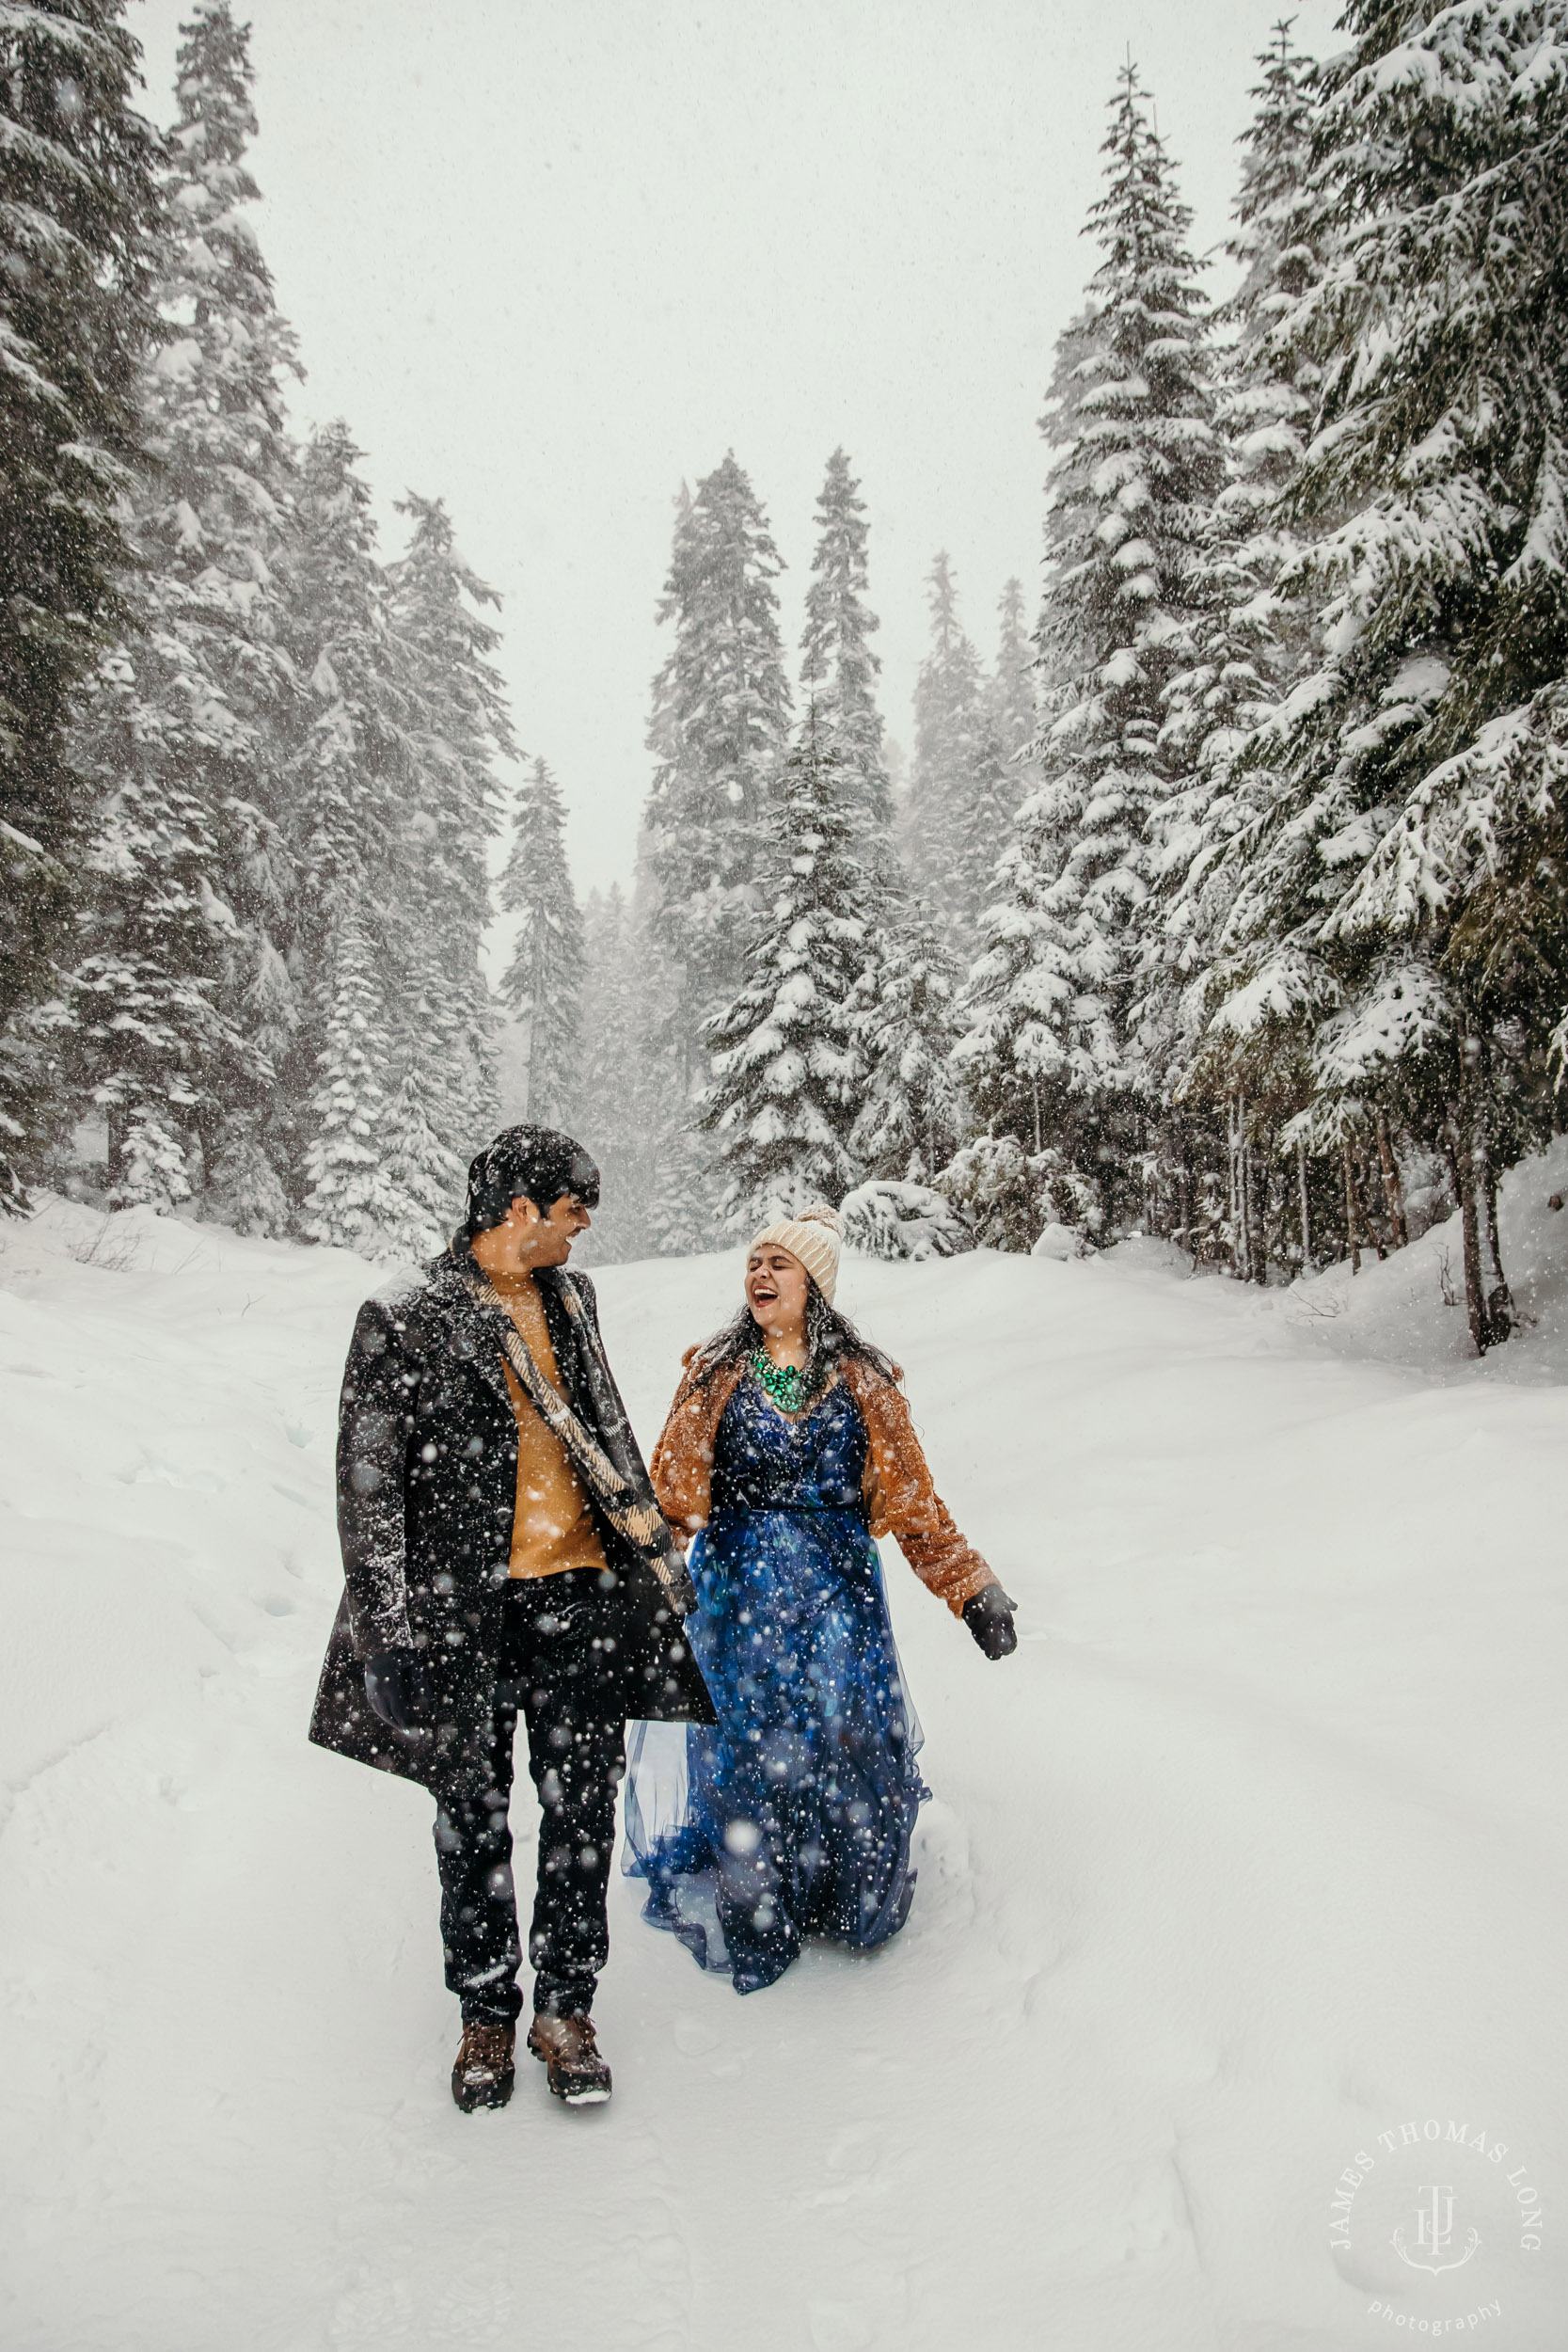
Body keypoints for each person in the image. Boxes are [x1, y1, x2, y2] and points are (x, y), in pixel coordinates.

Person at [309, 1125, 714, 2111]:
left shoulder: (571, 1298)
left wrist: (650, 1554)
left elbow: (604, 1426)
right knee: (471, 1822)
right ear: (522, 1208)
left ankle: (565, 2007)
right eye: (574, 1210)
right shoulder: (404, 1316)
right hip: (460, 1616)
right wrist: (388, 1632)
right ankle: (486, 2012)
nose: (582, 1228)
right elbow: (369, 1493)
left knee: (580, 1814)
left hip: (577, 1600)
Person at [625, 1201, 1015, 1994]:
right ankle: (757, 1913)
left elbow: (914, 1504)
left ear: (816, 1284)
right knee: (745, 1751)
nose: (759, 1275)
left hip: (839, 1595)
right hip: (737, 1594)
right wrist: (629, 1587)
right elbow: (669, 1499)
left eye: (780, 1264)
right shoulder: (713, 1374)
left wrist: (972, 1588)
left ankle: (842, 1900)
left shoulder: (863, 1382)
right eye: (754, 1263)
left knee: (843, 1742)